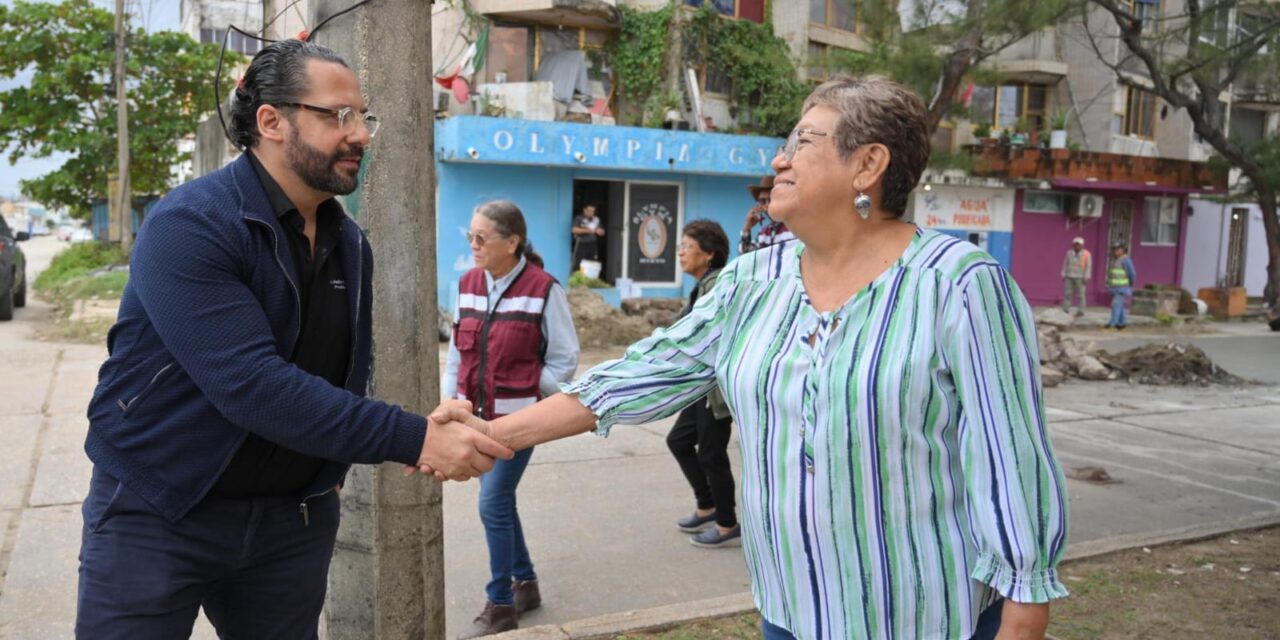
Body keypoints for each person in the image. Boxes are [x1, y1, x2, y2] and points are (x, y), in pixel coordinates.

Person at [425, 75, 1069, 640]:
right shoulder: (753, 281)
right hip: (789, 607)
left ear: (868, 163)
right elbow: (633, 378)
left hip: (923, 615)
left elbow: (1010, 459)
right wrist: (485, 435)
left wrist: (1024, 607)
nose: (780, 160)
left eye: (804, 142)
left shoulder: (959, 283)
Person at [75, 39, 512, 639]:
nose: (359, 133)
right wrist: (416, 439)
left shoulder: (351, 244)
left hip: (291, 524)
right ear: (271, 121)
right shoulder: (191, 225)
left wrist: (353, 459)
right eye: (338, 115)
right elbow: (251, 386)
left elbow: (337, 373)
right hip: (159, 509)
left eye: (363, 116)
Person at [445, 201, 581, 638]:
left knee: (491, 503)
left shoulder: (544, 289)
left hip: (519, 422)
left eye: (482, 237)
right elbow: (455, 353)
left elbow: (565, 358)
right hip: (473, 420)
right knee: (500, 503)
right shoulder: (466, 284)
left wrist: (531, 383)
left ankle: (501, 603)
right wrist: (451, 401)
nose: (473, 244)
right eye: (471, 235)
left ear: (513, 241)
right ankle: (527, 583)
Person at [668, 219, 738, 548]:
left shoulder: (717, 285)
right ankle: (707, 504)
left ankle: (726, 523)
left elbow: (705, 334)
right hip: (701, 387)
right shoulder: (703, 285)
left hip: (716, 391)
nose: (680, 252)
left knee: (712, 454)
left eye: (687, 246)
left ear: (708, 254)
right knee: (680, 441)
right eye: (680, 246)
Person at [739, 175, 795, 254]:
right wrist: (747, 228)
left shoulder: (795, 228)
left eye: (771, 199)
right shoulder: (764, 233)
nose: (767, 205)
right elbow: (744, 256)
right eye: (763, 201)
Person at [1106, 242, 1137, 330]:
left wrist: (1130, 284)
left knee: (1115, 305)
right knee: (1120, 306)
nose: (1115, 251)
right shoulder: (1116, 260)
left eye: (1118, 249)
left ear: (1122, 250)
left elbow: (1132, 273)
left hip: (1121, 288)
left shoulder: (1126, 260)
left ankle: (1113, 323)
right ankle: (1121, 323)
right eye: (1114, 249)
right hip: (1115, 287)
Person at [1061, 236, 1092, 316]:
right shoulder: (1069, 253)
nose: (1077, 246)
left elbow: (1088, 266)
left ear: (1082, 245)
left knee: (1081, 295)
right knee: (1068, 293)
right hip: (1069, 276)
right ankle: (1066, 309)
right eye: (1075, 244)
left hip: (1080, 277)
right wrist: (1063, 273)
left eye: (1078, 244)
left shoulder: (1086, 254)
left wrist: (1086, 277)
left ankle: (1081, 311)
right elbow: (1065, 263)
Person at [570, 203, 605, 273]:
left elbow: (602, 232)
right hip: (581, 244)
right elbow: (574, 230)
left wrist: (599, 231)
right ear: (584, 210)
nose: (591, 213)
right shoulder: (579, 218)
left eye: (593, 211)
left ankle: (590, 280)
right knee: (579, 264)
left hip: (593, 245)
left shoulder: (596, 219)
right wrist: (589, 231)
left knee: (592, 263)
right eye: (589, 211)